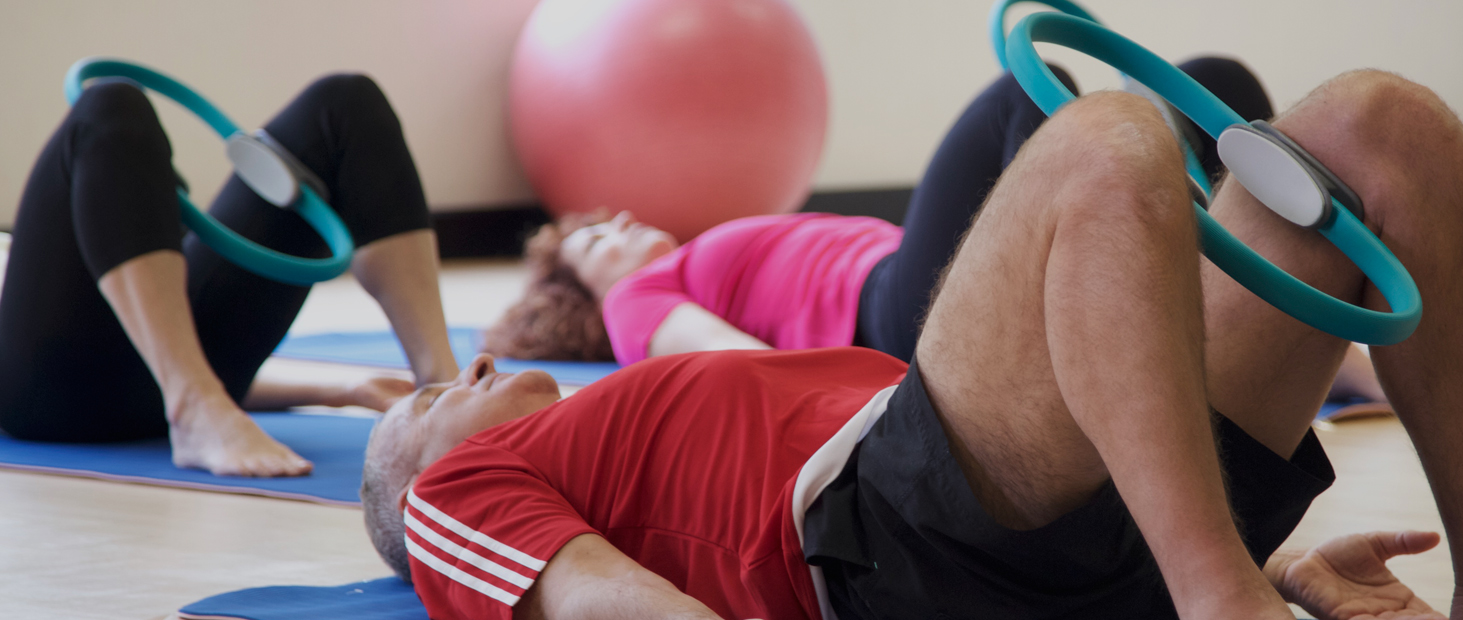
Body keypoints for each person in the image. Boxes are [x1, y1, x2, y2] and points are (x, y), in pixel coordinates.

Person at [365, 64, 1463, 620]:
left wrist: (1278, 562)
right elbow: (600, 600)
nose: (454, 377)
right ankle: (1211, 591)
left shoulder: (627, 408)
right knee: (1102, 140)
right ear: (417, 487)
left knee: (1376, 127)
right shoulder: (457, 501)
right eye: (418, 405)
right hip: (877, 540)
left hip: (1042, 522)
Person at [484, 58, 1389, 404]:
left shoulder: (691, 253)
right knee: (1020, 96)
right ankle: (1160, 272)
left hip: (917, 280)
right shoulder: (642, 299)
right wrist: (883, 414)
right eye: (598, 242)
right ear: (586, 299)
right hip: (901, 319)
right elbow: (726, 361)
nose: (624, 228)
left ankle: (1277, 315)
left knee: (1212, 79)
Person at [0, 74, 459, 477]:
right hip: (53, 395)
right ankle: (193, 406)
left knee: (344, 103)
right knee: (108, 107)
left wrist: (344, 387)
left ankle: (446, 394)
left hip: (179, 369)